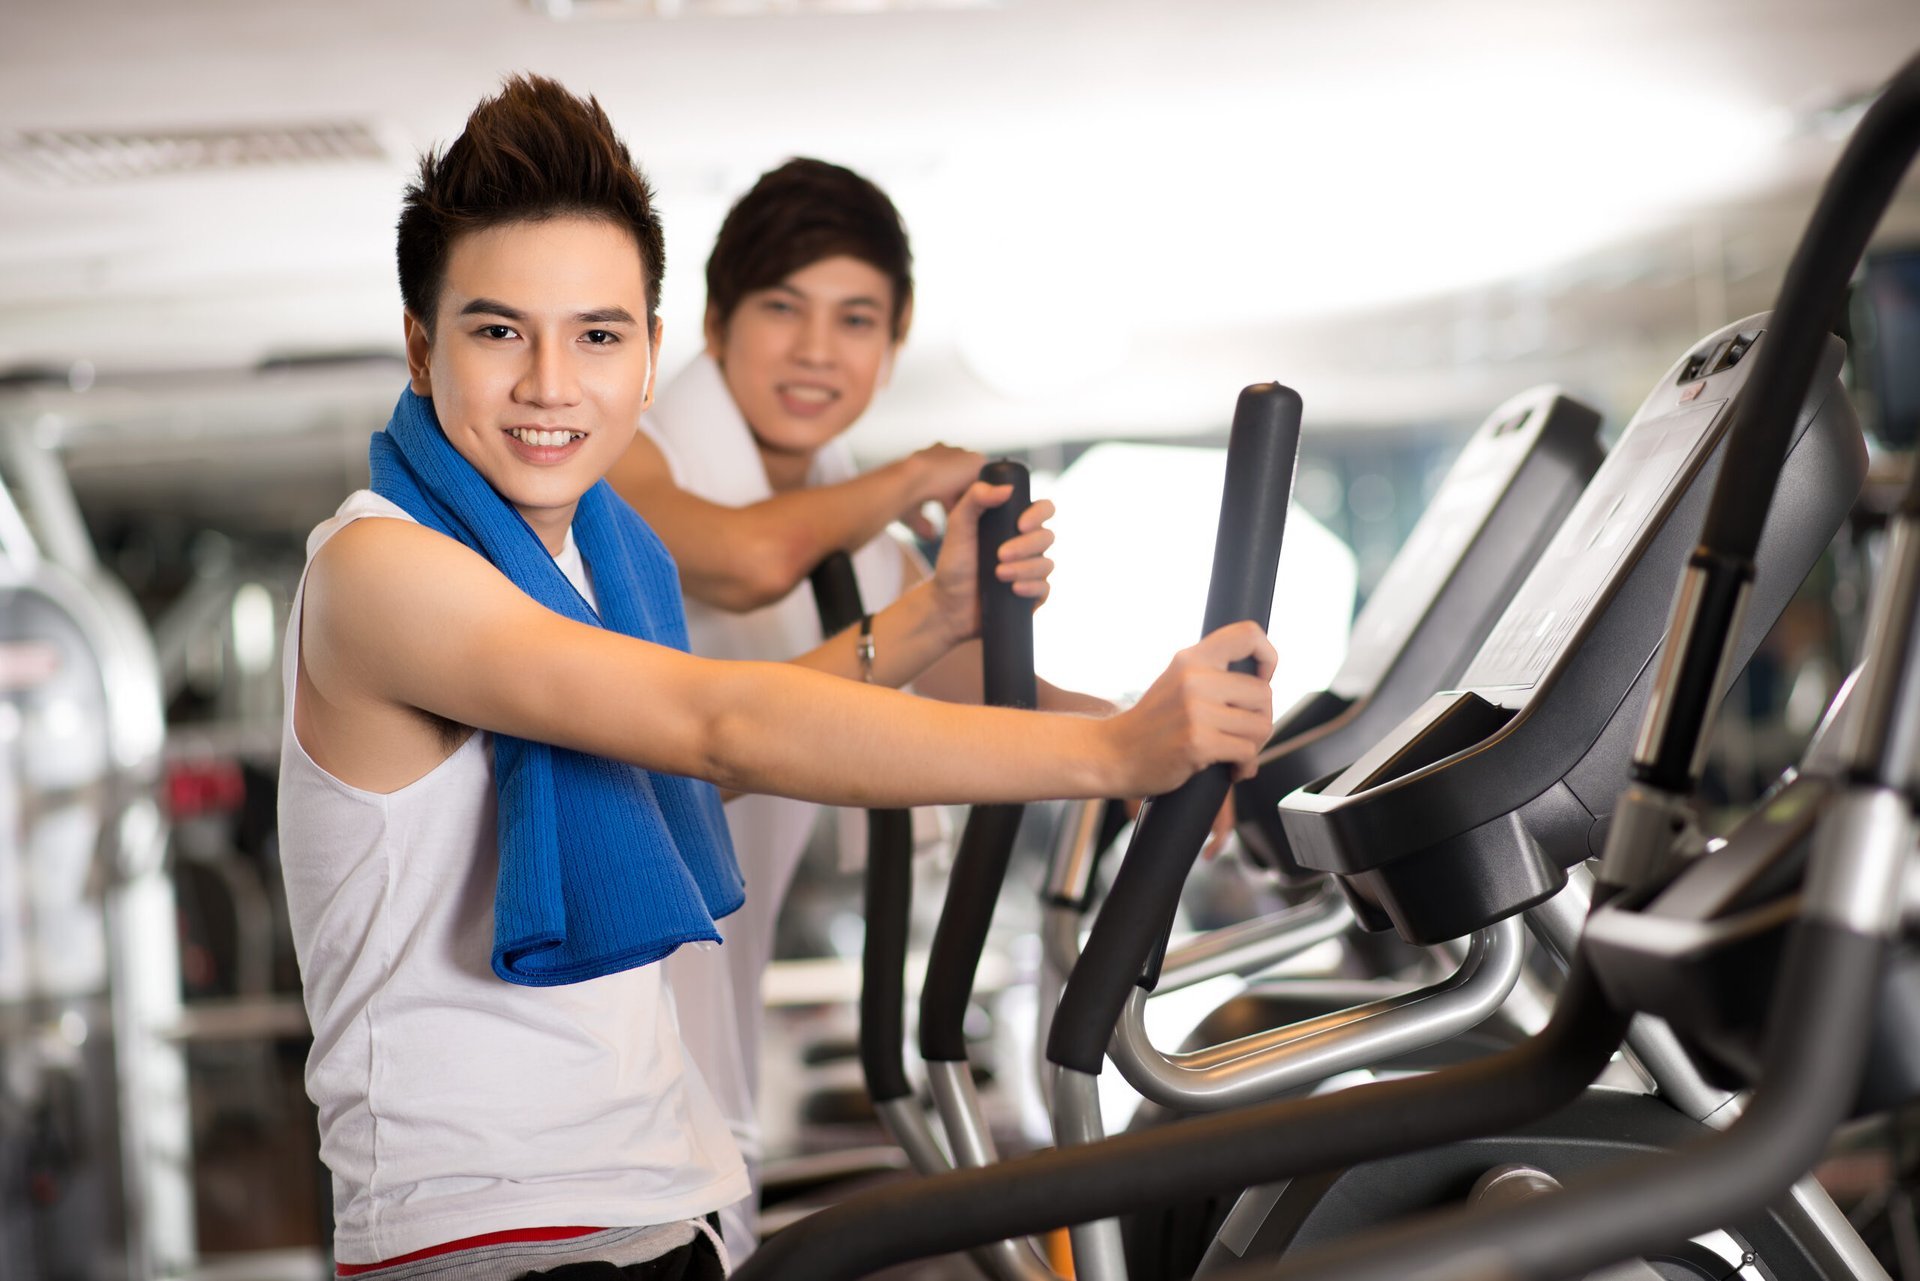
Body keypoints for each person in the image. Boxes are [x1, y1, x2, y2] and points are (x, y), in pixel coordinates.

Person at [277, 73, 1276, 1281]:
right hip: (500, 1240)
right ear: (422, 351)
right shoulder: (381, 569)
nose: (551, 383)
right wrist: (1114, 755)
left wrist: (931, 618)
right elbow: (717, 727)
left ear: (646, 357)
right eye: (500, 332)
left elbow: (679, 777)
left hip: (646, 1198)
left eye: (596, 335)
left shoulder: (595, 557)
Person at [603, 157, 1113, 1256]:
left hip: (702, 1015)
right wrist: (913, 473)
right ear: (714, 320)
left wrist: (1162, 744)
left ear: (897, 333)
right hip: (598, 1007)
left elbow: (992, 698)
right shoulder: (625, 454)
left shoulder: (855, 548)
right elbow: (741, 563)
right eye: (783, 309)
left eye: (855, 318)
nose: (817, 352)